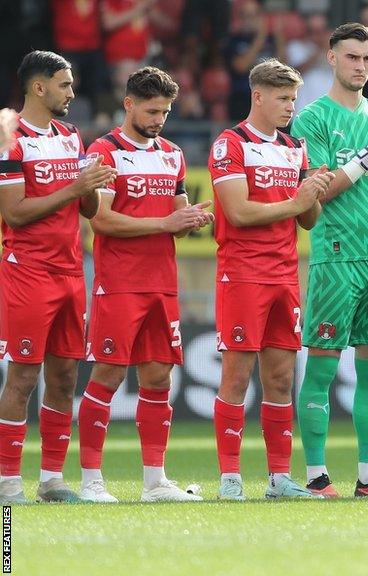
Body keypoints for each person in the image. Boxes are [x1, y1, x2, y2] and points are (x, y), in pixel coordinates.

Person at [291, 22, 368, 498]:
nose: (360, 66)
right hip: (337, 256)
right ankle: (317, 476)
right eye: (351, 57)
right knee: (322, 368)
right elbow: (319, 188)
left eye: (366, 58)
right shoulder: (313, 119)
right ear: (331, 58)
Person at [76, 66, 212, 503]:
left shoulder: (172, 153)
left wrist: (191, 220)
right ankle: (92, 481)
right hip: (119, 283)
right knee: (109, 373)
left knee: (158, 378)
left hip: (162, 283)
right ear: (129, 104)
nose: (159, 120)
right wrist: (167, 222)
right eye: (152, 110)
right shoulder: (104, 151)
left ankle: (155, 482)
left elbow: (177, 216)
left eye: (166, 112)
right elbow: (101, 219)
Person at [209, 58, 333, 500]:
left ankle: (279, 478)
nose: (290, 107)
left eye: (294, 98)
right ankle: (229, 478)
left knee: (281, 379)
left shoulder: (295, 146)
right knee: (236, 377)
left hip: (285, 276)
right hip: (243, 275)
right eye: (283, 98)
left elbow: (309, 220)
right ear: (257, 96)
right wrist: (297, 200)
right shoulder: (231, 145)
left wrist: (314, 192)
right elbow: (239, 213)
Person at [0, 51, 114, 503]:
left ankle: (51, 480)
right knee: (23, 379)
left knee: (65, 377)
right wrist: (74, 188)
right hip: (28, 271)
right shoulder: (11, 139)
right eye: (64, 84)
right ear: (39, 87)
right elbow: (14, 213)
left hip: (70, 271)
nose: (72, 92)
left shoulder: (70, 136)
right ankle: (8, 483)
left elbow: (87, 208)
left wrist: (93, 188)